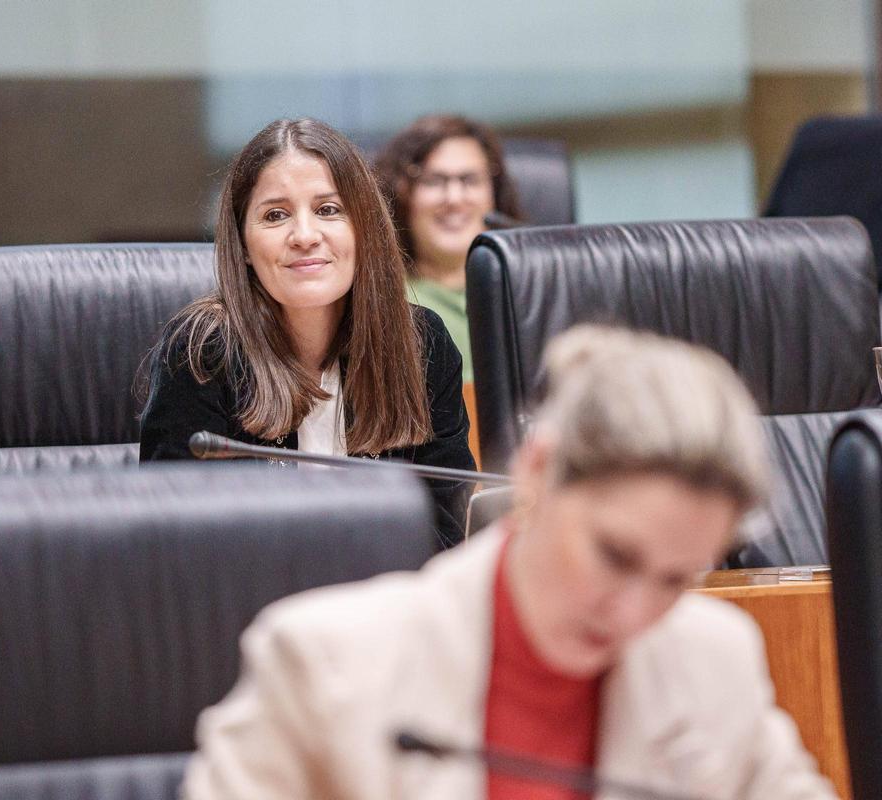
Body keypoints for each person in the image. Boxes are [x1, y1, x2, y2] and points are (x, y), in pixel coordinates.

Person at [181, 325, 837, 800]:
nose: (634, 610)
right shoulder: (325, 667)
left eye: (675, 579)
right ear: (536, 472)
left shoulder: (713, 660)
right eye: (614, 555)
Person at [139, 118, 475, 548]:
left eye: (328, 210)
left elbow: (445, 530)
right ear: (242, 244)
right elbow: (177, 540)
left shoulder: (421, 345)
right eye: (275, 215)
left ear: (364, 228)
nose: (304, 235)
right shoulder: (203, 353)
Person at [375, 115, 524, 383]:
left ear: (495, 196)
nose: (454, 198)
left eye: (470, 180)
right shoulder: (379, 299)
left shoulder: (532, 288)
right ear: (402, 196)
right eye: (434, 181)